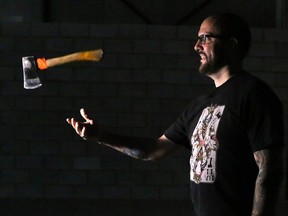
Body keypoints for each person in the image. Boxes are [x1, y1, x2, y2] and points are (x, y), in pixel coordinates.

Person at [66, 13, 284, 216]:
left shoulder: (254, 95)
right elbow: (153, 150)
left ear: (231, 44)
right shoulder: (199, 106)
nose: (196, 46)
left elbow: (268, 168)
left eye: (205, 38)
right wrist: (102, 136)